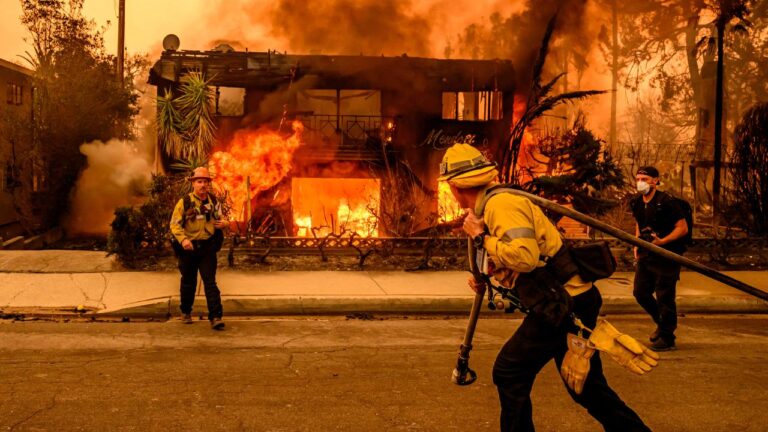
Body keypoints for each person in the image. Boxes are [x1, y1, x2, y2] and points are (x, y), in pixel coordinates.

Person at [440, 143, 650, 432]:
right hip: (568, 300)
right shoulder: (489, 206)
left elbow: (524, 258)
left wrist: (479, 238)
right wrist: (485, 274)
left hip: (564, 304)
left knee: (510, 372)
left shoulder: (501, 205)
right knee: (586, 389)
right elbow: (513, 254)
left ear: (454, 186)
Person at [630, 166, 689, 351]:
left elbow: (682, 228)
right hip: (646, 254)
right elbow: (639, 224)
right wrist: (636, 244)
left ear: (655, 180)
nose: (641, 182)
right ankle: (662, 324)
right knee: (640, 293)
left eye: (645, 179)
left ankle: (667, 337)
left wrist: (662, 242)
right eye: (638, 178)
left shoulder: (667, 202)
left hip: (668, 254)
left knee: (665, 296)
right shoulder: (637, 202)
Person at [169, 167, 228, 330]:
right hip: (189, 249)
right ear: (193, 184)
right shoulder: (185, 202)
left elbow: (221, 219)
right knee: (188, 282)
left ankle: (215, 317)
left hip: (207, 248)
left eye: (205, 182)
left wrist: (224, 224)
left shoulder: (214, 202)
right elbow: (174, 225)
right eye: (199, 181)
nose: (203, 185)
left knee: (210, 282)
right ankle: (186, 311)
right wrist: (183, 240)